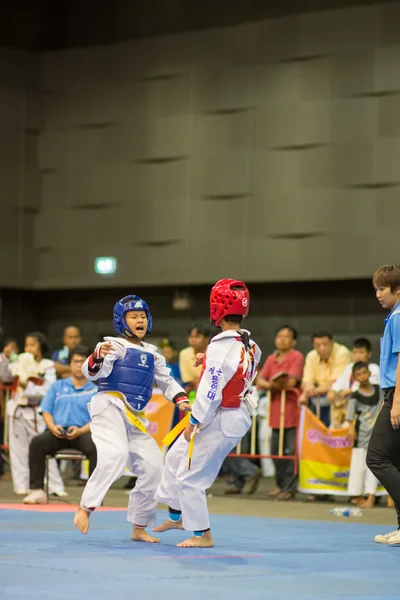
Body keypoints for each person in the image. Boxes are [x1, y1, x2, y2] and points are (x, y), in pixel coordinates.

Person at [154, 279, 261, 548]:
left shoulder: (220, 346)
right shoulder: (249, 343)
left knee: (191, 478)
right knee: (176, 455)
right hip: (233, 411)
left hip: (222, 415)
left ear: (217, 309)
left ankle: (203, 534)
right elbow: (235, 372)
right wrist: (208, 363)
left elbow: (210, 392)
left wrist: (194, 419)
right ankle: (178, 516)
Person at [73, 295, 190, 540]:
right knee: (115, 455)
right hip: (109, 407)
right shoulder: (111, 345)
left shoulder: (154, 354)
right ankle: (85, 508)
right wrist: (98, 355)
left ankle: (139, 527)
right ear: (121, 320)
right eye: (134, 316)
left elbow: (167, 381)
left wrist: (180, 398)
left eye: (143, 316)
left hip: (135, 416)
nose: (140, 320)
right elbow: (92, 372)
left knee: (153, 467)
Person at [23, 345, 98, 504]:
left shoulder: (96, 391)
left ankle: (93, 495)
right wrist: (52, 427)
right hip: (58, 432)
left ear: (89, 365)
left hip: (83, 433)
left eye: (83, 362)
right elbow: (46, 410)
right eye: (76, 361)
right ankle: (37, 491)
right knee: (37, 442)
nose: (79, 365)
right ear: (70, 364)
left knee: (98, 446)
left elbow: (98, 419)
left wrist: (81, 431)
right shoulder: (57, 386)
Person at [7, 332, 65, 497]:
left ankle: (55, 486)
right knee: (18, 450)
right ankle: (21, 486)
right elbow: (6, 376)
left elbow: (48, 390)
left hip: (37, 411)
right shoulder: (18, 362)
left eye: (32, 345)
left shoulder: (47, 366)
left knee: (43, 447)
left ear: (41, 347)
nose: (28, 348)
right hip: (17, 409)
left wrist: (27, 387)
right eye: (26, 345)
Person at [367, 265, 400, 544]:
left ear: (397, 290)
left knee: (375, 457)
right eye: (376, 289)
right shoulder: (393, 317)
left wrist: (397, 401)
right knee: (396, 461)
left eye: (383, 289)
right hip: (392, 395)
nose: (378, 294)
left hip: (399, 396)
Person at [256, 325, 304, 500]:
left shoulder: (296, 356)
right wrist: (271, 385)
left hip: (291, 411)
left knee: (290, 451)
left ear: (293, 341)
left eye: (286, 336)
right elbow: (260, 379)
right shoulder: (271, 358)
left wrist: (271, 385)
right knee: (276, 451)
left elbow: (291, 382)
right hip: (275, 411)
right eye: (279, 336)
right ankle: (281, 485)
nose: (282, 339)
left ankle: (290, 488)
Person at [345, 362, 382, 509]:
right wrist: (350, 429)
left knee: (373, 466)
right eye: (359, 374)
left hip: (377, 435)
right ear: (354, 377)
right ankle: (356, 495)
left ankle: (370, 496)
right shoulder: (354, 396)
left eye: (364, 373)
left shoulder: (380, 391)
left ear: (369, 373)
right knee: (358, 466)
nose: (363, 376)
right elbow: (349, 416)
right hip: (361, 435)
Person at [299, 331, 351, 427]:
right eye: (317, 345)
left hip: (341, 399)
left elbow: (336, 382)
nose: (322, 348)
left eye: (325, 344)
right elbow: (307, 381)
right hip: (319, 399)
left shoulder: (342, 353)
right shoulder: (311, 355)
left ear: (332, 342)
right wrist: (308, 390)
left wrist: (310, 392)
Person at [328, 338, 380, 427]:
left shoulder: (373, 368)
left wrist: (350, 391)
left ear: (369, 354)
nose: (357, 356)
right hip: (347, 407)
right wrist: (333, 390)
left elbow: (371, 386)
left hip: (365, 409)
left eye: (361, 352)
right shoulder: (350, 367)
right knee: (333, 427)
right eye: (355, 352)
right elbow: (340, 381)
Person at [179, 325, 213, 397]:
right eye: (191, 337)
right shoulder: (184, 353)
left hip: (213, 388)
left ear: (207, 339)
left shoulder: (213, 352)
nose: (193, 339)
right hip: (193, 390)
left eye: (197, 337)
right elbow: (187, 379)